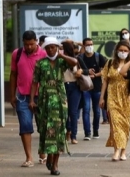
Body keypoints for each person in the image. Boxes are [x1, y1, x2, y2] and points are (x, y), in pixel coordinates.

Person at [30, 36, 77, 175]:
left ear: (57, 48)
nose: (50, 50)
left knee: (58, 132)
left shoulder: (62, 62)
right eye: (48, 47)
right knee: (45, 130)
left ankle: (55, 164)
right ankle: (49, 156)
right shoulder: (40, 63)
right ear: (44, 49)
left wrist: (61, 54)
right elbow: (34, 82)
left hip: (60, 101)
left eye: (53, 47)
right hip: (44, 101)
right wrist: (32, 99)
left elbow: (74, 62)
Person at [9, 30, 47, 167]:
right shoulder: (17, 54)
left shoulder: (44, 54)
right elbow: (13, 74)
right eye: (26, 44)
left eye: (31, 44)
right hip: (22, 97)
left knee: (43, 126)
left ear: (36, 41)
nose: (29, 47)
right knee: (25, 126)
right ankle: (29, 157)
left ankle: (42, 152)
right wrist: (12, 95)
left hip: (41, 96)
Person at [99, 40, 130, 161]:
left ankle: (124, 151)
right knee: (115, 124)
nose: (123, 53)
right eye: (121, 50)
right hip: (112, 97)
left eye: (125, 51)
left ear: (129, 52)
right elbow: (105, 81)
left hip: (126, 97)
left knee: (125, 125)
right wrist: (102, 97)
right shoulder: (109, 63)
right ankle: (117, 150)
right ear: (116, 51)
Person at [80, 37, 107, 139]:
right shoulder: (80, 58)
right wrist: (86, 72)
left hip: (97, 87)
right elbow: (77, 71)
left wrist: (95, 75)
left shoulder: (98, 56)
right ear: (84, 46)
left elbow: (105, 70)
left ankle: (96, 130)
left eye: (91, 44)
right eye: (87, 45)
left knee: (96, 110)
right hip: (85, 87)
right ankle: (87, 133)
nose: (90, 47)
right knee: (86, 109)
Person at [61, 41, 83, 144]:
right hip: (63, 86)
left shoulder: (77, 59)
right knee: (64, 112)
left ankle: (73, 136)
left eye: (62, 49)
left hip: (75, 87)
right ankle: (68, 129)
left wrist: (81, 71)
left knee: (73, 112)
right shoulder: (59, 60)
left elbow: (86, 70)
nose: (60, 51)